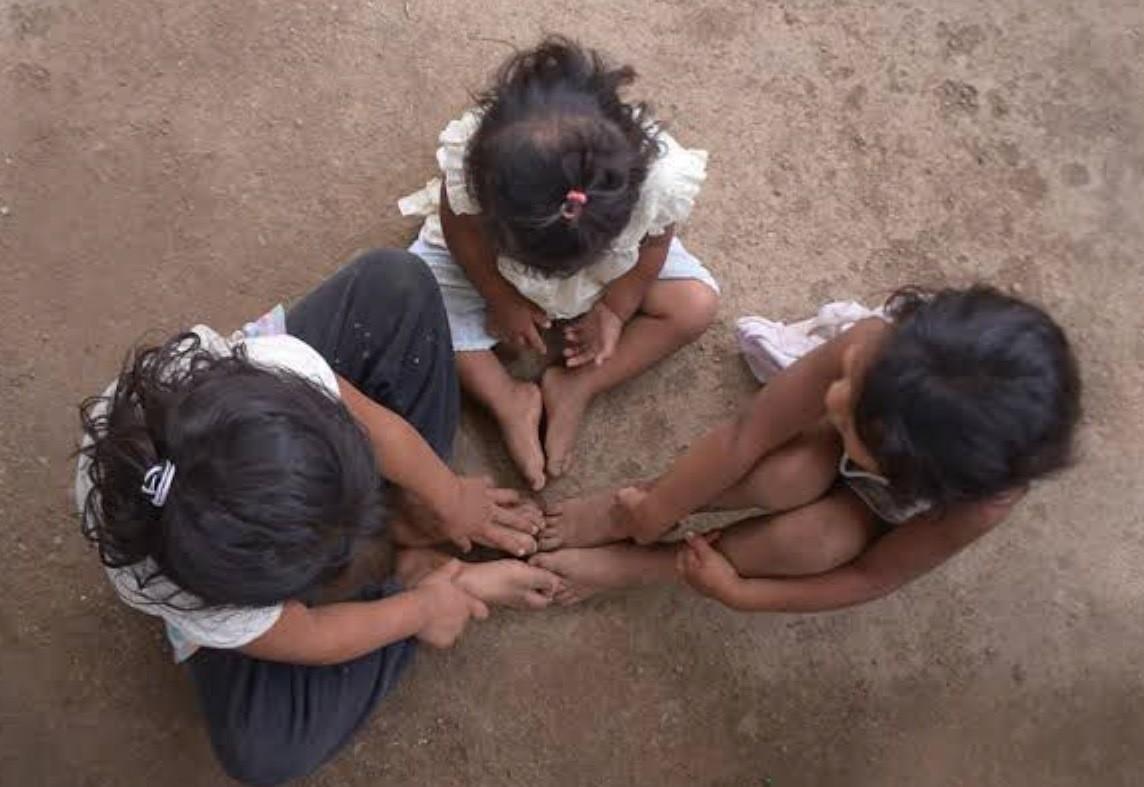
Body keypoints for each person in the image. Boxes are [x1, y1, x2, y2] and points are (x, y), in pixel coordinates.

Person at [75, 249, 561, 786]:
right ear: (256, 593)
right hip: (235, 556)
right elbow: (308, 634)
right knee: (262, 752)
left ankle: (407, 525)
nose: (367, 531)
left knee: (394, 283)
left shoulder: (275, 368)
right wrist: (422, 608)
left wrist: (448, 499)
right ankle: (410, 572)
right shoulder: (193, 594)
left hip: (264, 435)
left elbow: (378, 429)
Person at [531, 287, 1082, 611]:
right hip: (875, 447)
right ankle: (629, 509)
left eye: (849, 415)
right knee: (784, 475)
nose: (834, 393)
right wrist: (656, 507)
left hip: (883, 501)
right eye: (847, 379)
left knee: (817, 540)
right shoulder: (874, 342)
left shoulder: (978, 498)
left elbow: (874, 575)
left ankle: (648, 565)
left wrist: (740, 593)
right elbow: (746, 434)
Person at [399, 36, 720, 490]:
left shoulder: (659, 181)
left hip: (611, 274)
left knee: (696, 306)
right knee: (412, 303)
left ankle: (579, 384)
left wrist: (613, 309)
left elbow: (652, 247)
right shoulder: (475, 158)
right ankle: (508, 398)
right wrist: (499, 293)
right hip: (493, 267)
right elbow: (460, 226)